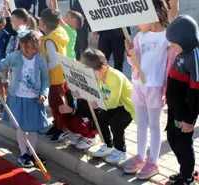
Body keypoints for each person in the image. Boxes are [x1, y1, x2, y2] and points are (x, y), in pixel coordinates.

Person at [122, 0, 177, 179]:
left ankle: (153, 161)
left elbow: (172, 62)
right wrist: (130, 53)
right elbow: (134, 63)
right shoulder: (140, 37)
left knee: (154, 125)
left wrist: (168, 89)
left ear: (151, 15)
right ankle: (140, 155)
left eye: (139, 18)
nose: (137, 24)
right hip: (138, 85)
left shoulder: (168, 37)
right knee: (141, 123)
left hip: (155, 86)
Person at [0, 29, 49, 168]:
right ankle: (23, 153)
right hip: (18, 98)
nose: (28, 49)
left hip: (34, 100)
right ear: (21, 44)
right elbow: (1, 64)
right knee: (21, 128)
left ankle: (32, 153)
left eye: (32, 46)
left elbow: (45, 79)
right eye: (25, 46)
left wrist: (44, 93)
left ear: (37, 47)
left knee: (32, 129)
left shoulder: (40, 60)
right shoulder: (15, 57)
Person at [81, 48, 135, 165]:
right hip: (113, 104)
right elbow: (101, 95)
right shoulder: (100, 76)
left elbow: (113, 102)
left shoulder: (115, 77)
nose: (91, 76)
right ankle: (108, 144)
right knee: (101, 118)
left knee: (116, 123)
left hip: (128, 106)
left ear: (103, 68)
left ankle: (121, 150)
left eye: (93, 73)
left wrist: (98, 103)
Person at [165, 15, 199, 185]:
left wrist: (189, 118)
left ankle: (188, 177)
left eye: (173, 42)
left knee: (183, 143)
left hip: (185, 112)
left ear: (185, 39)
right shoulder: (182, 52)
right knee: (172, 138)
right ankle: (184, 171)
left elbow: (196, 92)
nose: (171, 46)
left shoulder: (194, 58)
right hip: (174, 108)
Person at [39, 8, 69, 142]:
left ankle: (62, 128)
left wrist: (44, 71)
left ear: (43, 23)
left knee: (56, 104)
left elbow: (54, 60)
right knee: (53, 103)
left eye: (39, 20)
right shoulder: (57, 33)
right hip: (58, 75)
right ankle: (56, 124)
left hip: (55, 76)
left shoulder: (49, 40)